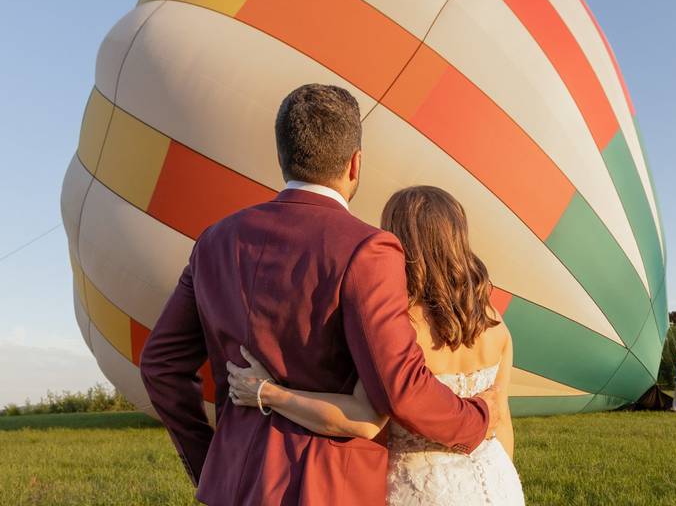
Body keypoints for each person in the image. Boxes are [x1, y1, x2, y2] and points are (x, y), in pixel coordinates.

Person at [139, 84, 500, 506]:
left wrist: (212, 464)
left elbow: (159, 366)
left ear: (282, 158)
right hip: (329, 489)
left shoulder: (214, 242)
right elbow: (401, 388)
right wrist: (478, 418)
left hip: (232, 487)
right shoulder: (368, 249)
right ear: (355, 163)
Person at [227, 186, 525, 505]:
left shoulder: (401, 326)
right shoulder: (494, 322)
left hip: (423, 492)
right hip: (496, 482)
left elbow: (362, 418)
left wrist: (268, 392)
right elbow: (501, 422)